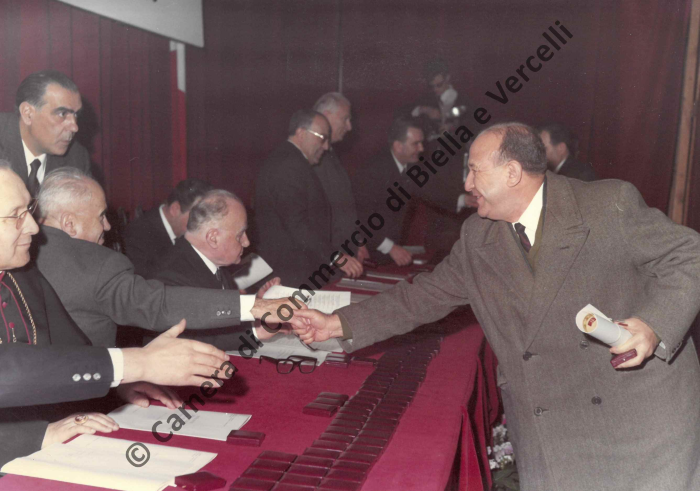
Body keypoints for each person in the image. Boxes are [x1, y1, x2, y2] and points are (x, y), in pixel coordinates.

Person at [292, 122, 700, 491]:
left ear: (512, 173)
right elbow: (422, 296)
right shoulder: (479, 236)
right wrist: (335, 324)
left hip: (634, 420)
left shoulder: (606, 204)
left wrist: (653, 325)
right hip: (550, 429)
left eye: (474, 170)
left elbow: (690, 256)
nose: (467, 183)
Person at [0, 162, 233, 466]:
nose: (33, 226)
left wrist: (116, 382)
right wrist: (136, 363)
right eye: (16, 215)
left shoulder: (21, 272)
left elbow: (68, 349)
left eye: (29, 210)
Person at [35, 168, 298, 347]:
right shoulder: (99, 264)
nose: (107, 226)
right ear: (69, 224)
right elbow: (159, 304)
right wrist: (255, 307)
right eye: (101, 216)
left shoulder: (27, 255)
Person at [149, 189, 286, 349]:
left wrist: (257, 304)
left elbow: (221, 319)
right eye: (240, 235)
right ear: (213, 238)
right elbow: (192, 343)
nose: (246, 242)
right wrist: (256, 331)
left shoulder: (209, 261)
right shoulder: (171, 276)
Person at [255, 109, 363, 286]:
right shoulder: (288, 165)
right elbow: (296, 224)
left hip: (296, 269)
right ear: (301, 133)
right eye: (322, 138)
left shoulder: (292, 161)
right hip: (290, 273)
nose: (326, 146)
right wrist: (336, 257)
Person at [0, 70, 91, 197]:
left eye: (76, 115)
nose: (75, 127)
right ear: (28, 113)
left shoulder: (76, 158)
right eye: (62, 114)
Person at [352, 117, 424, 266]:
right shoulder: (373, 171)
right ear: (398, 146)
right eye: (416, 144)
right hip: (369, 255)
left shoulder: (410, 168)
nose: (421, 148)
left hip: (391, 254)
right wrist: (390, 247)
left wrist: (463, 199)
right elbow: (362, 218)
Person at [312, 93, 370, 264]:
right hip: (326, 259)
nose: (349, 126)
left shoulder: (330, 154)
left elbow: (342, 205)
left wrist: (357, 241)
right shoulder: (312, 158)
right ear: (326, 116)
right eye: (345, 119)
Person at [124, 178, 213, 277]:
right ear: (175, 209)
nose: (205, 223)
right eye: (198, 215)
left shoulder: (179, 228)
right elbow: (144, 278)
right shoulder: (138, 233)